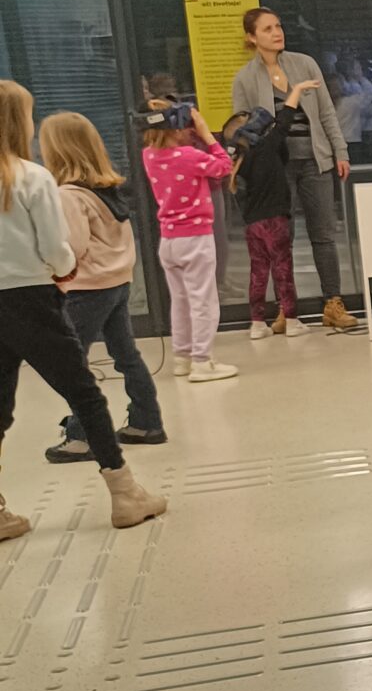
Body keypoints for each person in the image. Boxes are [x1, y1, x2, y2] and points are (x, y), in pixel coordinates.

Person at [0, 80, 167, 542]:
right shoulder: (33, 178)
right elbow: (57, 249)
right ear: (17, 122)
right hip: (32, 299)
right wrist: (63, 269)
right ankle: (125, 494)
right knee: (85, 395)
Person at [37, 112, 167, 461]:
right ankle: (146, 422)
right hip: (117, 283)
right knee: (126, 355)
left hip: (87, 289)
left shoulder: (68, 195)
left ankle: (83, 436)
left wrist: (48, 268)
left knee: (72, 364)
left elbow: (72, 248)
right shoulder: (106, 187)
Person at [230, 9, 358, 332]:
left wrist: (340, 151)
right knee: (281, 240)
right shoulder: (244, 78)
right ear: (251, 37)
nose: (277, 32)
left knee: (324, 235)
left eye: (278, 26)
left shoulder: (305, 64)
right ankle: (286, 311)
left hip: (316, 160)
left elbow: (327, 112)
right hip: (276, 170)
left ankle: (333, 304)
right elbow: (243, 130)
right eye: (267, 29)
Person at [141, 92, 237, 384]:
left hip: (169, 241)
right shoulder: (189, 156)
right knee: (203, 302)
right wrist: (206, 135)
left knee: (180, 301)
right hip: (195, 239)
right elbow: (224, 166)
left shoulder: (149, 156)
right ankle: (202, 362)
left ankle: (182, 357)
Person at [222, 97, 309, 340]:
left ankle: (257, 323)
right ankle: (291, 320)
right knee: (283, 269)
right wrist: (296, 92)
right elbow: (284, 122)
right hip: (275, 220)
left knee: (258, 272)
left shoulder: (240, 162)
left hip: (253, 224)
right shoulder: (267, 147)